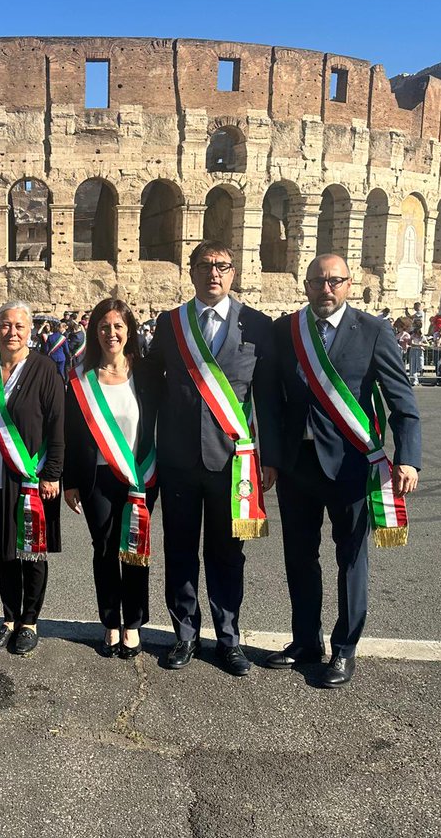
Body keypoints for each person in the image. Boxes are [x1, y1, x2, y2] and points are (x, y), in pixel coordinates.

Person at [265, 254, 421, 688]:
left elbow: (400, 399)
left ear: (349, 284)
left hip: (352, 465)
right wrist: (272, 458)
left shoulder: (373, 331)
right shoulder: (287, 330)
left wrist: (407, 456)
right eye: (318, 281)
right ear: (306, 285)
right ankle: (304, 641)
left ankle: (345, 649)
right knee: (299, 557)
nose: (326, 289)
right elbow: (274, 401)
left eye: (335, 281)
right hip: (298, 465)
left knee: (351, 559)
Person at [145, 238, 281, 676]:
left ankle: (228, 638)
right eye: (205, 265)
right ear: (191, 272)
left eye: (222, 265)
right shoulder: (170, 325)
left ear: (234, 272)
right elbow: (150, 389)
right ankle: (184, 633)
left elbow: (269, 399)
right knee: (180, 550)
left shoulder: (257, 325)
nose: (214, 273)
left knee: (227, 555)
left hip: (232, 465)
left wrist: (270, 458)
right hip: (179, 461)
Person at [64, 299, 160, 659]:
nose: (111, 333)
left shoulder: (147, 373)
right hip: (97, 478)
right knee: (104, 550)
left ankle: (133, 624)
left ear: (129, 330)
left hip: (140, 476)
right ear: (95, 332)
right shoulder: (80, 377)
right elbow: (71, 432)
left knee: (134, 550)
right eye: (104, 327)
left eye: (118, 326)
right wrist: (70, 480)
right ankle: (110, 622)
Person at [0, 301, 64, 657]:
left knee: (31, 553)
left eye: (19, 327)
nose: (12, 332)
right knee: (5, 552)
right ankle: (9, 617)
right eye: (5, 325)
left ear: (31, 331)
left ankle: (29, 622)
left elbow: (57, 425)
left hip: (32, 480)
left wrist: (53, 473)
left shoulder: (44, 370)